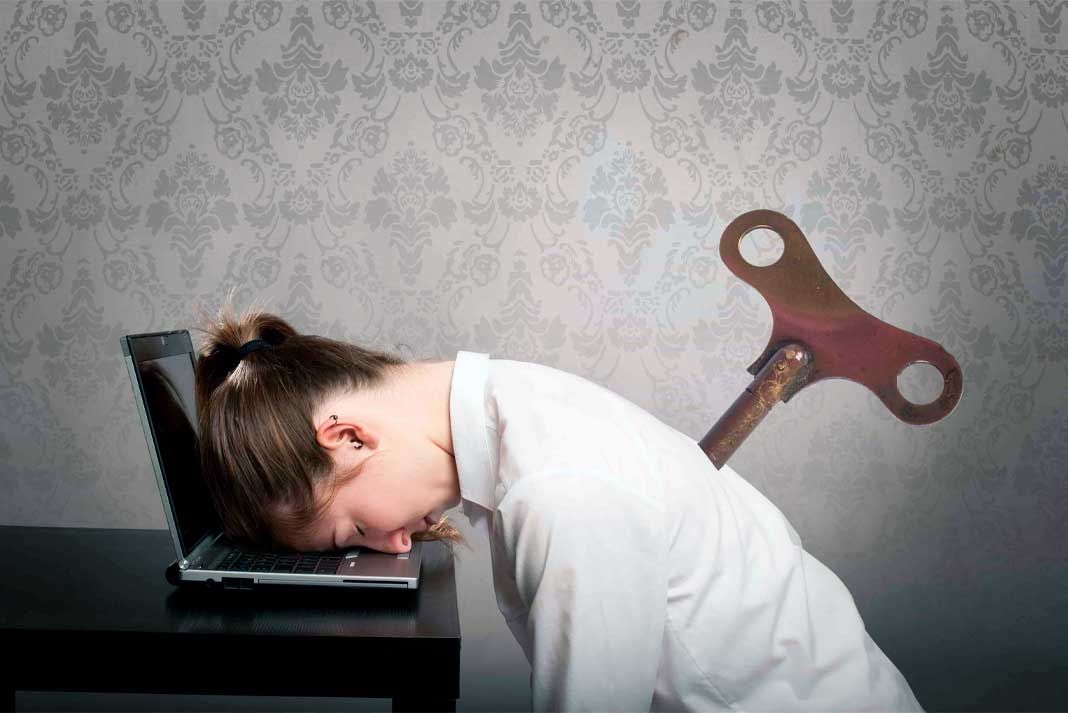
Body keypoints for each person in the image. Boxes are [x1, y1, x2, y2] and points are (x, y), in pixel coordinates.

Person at [194, 303, 924, 713]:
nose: (388, 543)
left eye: (351, 529)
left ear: (350, 437)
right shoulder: (518, 403)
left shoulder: (560, 489)